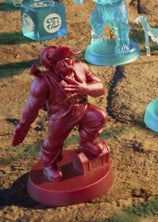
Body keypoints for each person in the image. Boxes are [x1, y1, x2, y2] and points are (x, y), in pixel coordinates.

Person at [11, 46, 107, 182]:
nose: (68, 62)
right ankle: (48, 165)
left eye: (69, 58)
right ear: (53, 65)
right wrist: (23, 125)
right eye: (62, 60)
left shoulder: (81, 67)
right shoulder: (43, 81)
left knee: (98, 116)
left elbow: (101, 88)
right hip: (60, 116)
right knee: (54, 143)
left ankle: (86, 142)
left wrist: (86, 88)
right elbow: (32, 107)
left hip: (82, 108)